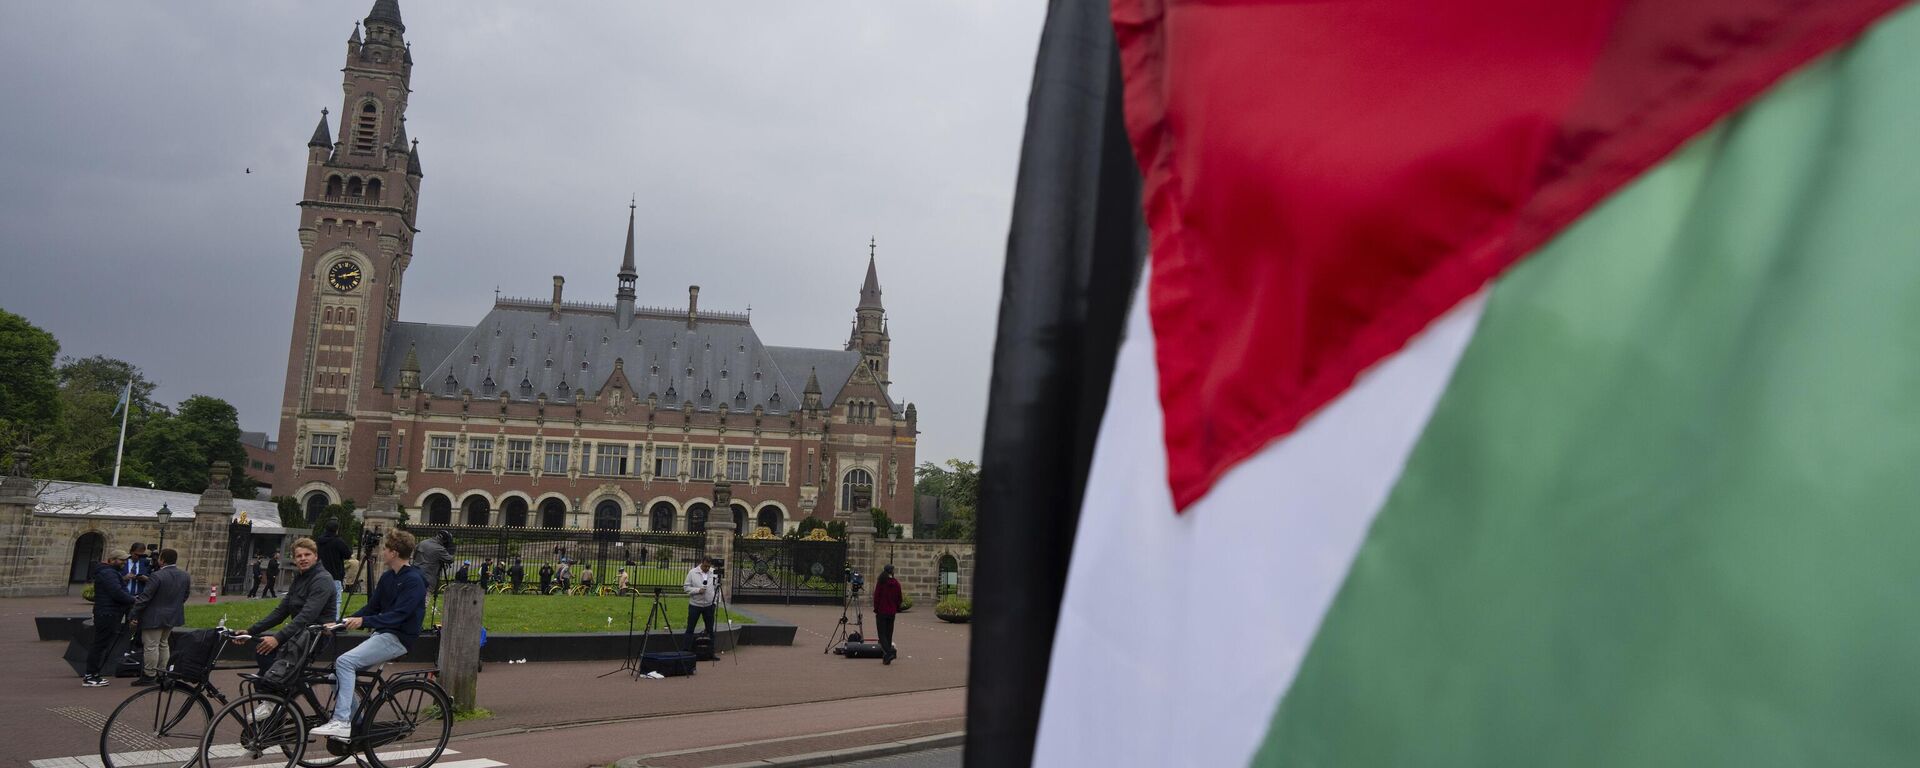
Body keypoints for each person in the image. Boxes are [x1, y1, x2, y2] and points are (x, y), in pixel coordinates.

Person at [307, 529, 425, 741]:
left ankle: (341, 721)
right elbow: (372, 607)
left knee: (344, 662)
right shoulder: (389, 577)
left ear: (395, 552)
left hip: (399, 637)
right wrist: (341, 623)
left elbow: (399, 615)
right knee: (336, 676)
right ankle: (359, 723)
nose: (382, 552)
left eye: (386, 548)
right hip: (383, 634)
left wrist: (364, 622)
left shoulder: (414, 581)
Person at [237, 538, 336, 678]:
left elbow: (307, 616)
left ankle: (280, 693)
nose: (303, 559)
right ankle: (276, 692)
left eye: (307, 555)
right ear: (294, 560)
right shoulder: (300, 578)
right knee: (262, 658)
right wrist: (250, 631)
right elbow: (281, 611)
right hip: (300, 633)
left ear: (316, 556)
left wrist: (277, 638)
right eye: (299, 556)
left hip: (314, 636)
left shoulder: (322, 580)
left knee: (268, 657)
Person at [127, 548, 190, 686]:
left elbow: (145, 597)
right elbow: (185, 595)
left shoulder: (157, 576)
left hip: (154, 615)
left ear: (162, 559)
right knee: (163, 643)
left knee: (151, 645)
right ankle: (162, 672)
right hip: (172, 615)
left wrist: (134, 613)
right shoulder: (184, 575)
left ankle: (149, 675)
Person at [83, 552, 135, 687]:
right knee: (100, 645)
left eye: (124, 561)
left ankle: (93, 674)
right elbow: (117, 592)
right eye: (121, 560)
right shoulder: (108, 573)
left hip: (108, 612)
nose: (123, 563)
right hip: (107, 613)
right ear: (111, 560)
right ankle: (90, 675)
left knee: (101, 644)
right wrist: (134, 600)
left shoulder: (109, 572)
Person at [314, 520, 353, 619]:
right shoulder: (338, 541)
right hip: (335, 574)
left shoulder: (319, 541)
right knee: (336, 599)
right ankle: (334, 621)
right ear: (337, 530)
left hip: (320, 574)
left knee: (320, 599)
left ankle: (318, 619)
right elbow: (348, 554)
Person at [683, 557, 718, 649]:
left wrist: (715, 602)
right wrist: (698, 590)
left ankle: (711, 651)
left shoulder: (713, 572)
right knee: (690, 628)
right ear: (701, 563)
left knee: (710, 629)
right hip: (695, 605)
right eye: (705, 566)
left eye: (708, 567)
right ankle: (686, 649)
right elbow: (686, 588)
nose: (707, 568)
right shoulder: (692, 572)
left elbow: (717, 588)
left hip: (709, 606)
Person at [873, 564, 903, 665]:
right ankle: (886, 657)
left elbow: (877, 596)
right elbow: (899, 598)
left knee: (882, 634)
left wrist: (876, 608)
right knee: (889, 634)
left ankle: (889, 653)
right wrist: (897, 608)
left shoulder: (881, 582)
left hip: (882, 611)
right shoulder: (896, 583)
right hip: (892, 612)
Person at [413, 530, 454, 599]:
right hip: (427, 580)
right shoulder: (440, 549)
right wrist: (450, 550)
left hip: (414, 575)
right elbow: (450, 559)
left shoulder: (422, 542)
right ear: (444, 540)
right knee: (422, 603)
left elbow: (414, 556)